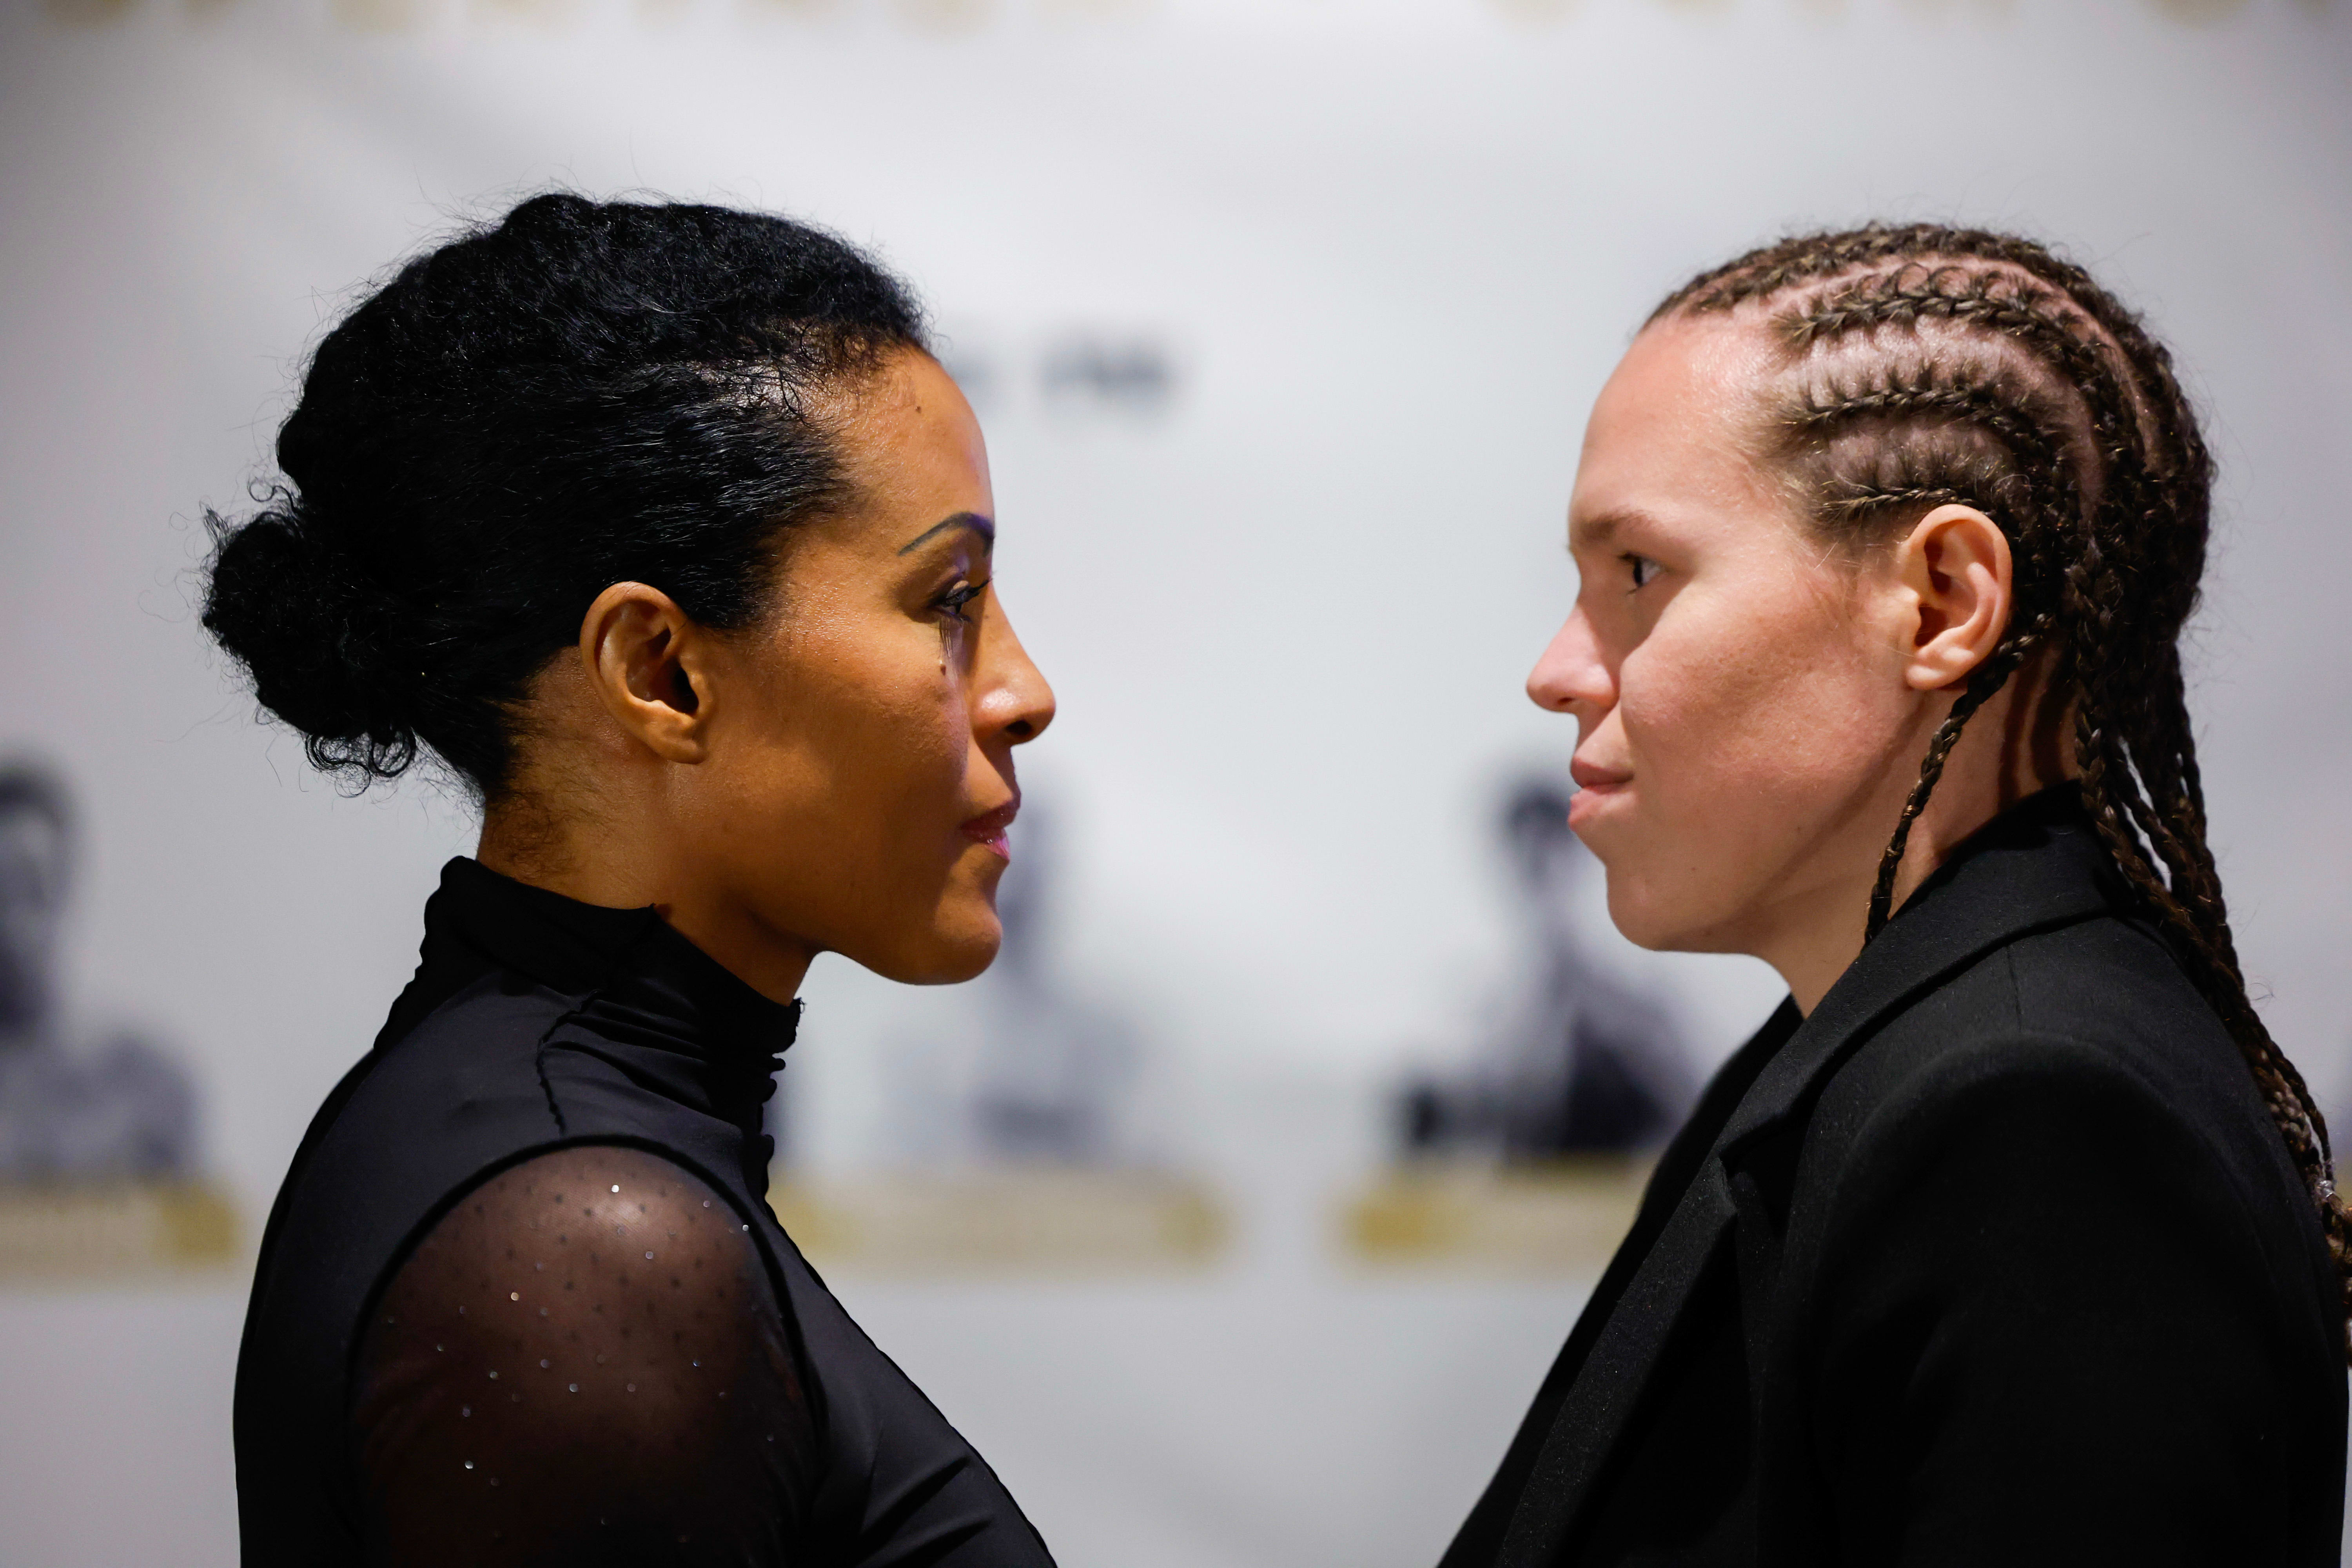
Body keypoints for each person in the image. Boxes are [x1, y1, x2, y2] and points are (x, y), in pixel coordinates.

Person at [1441, 226, 2347, 1566]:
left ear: (1940, 604)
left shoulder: (2035, 1116)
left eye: (1639, 573)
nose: (1558, 671)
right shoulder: (1885, 1053)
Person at [204, 194, 1058, 1567]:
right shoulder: (582, 1247)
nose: (1023, 690)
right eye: (948, 599)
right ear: (660, 672)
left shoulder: (547, 1155)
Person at [0, 760, 197, 1182]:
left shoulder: (146, 1085)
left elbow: (189, 1218)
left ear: (65, 887)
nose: (14, 923)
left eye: (32, 888)